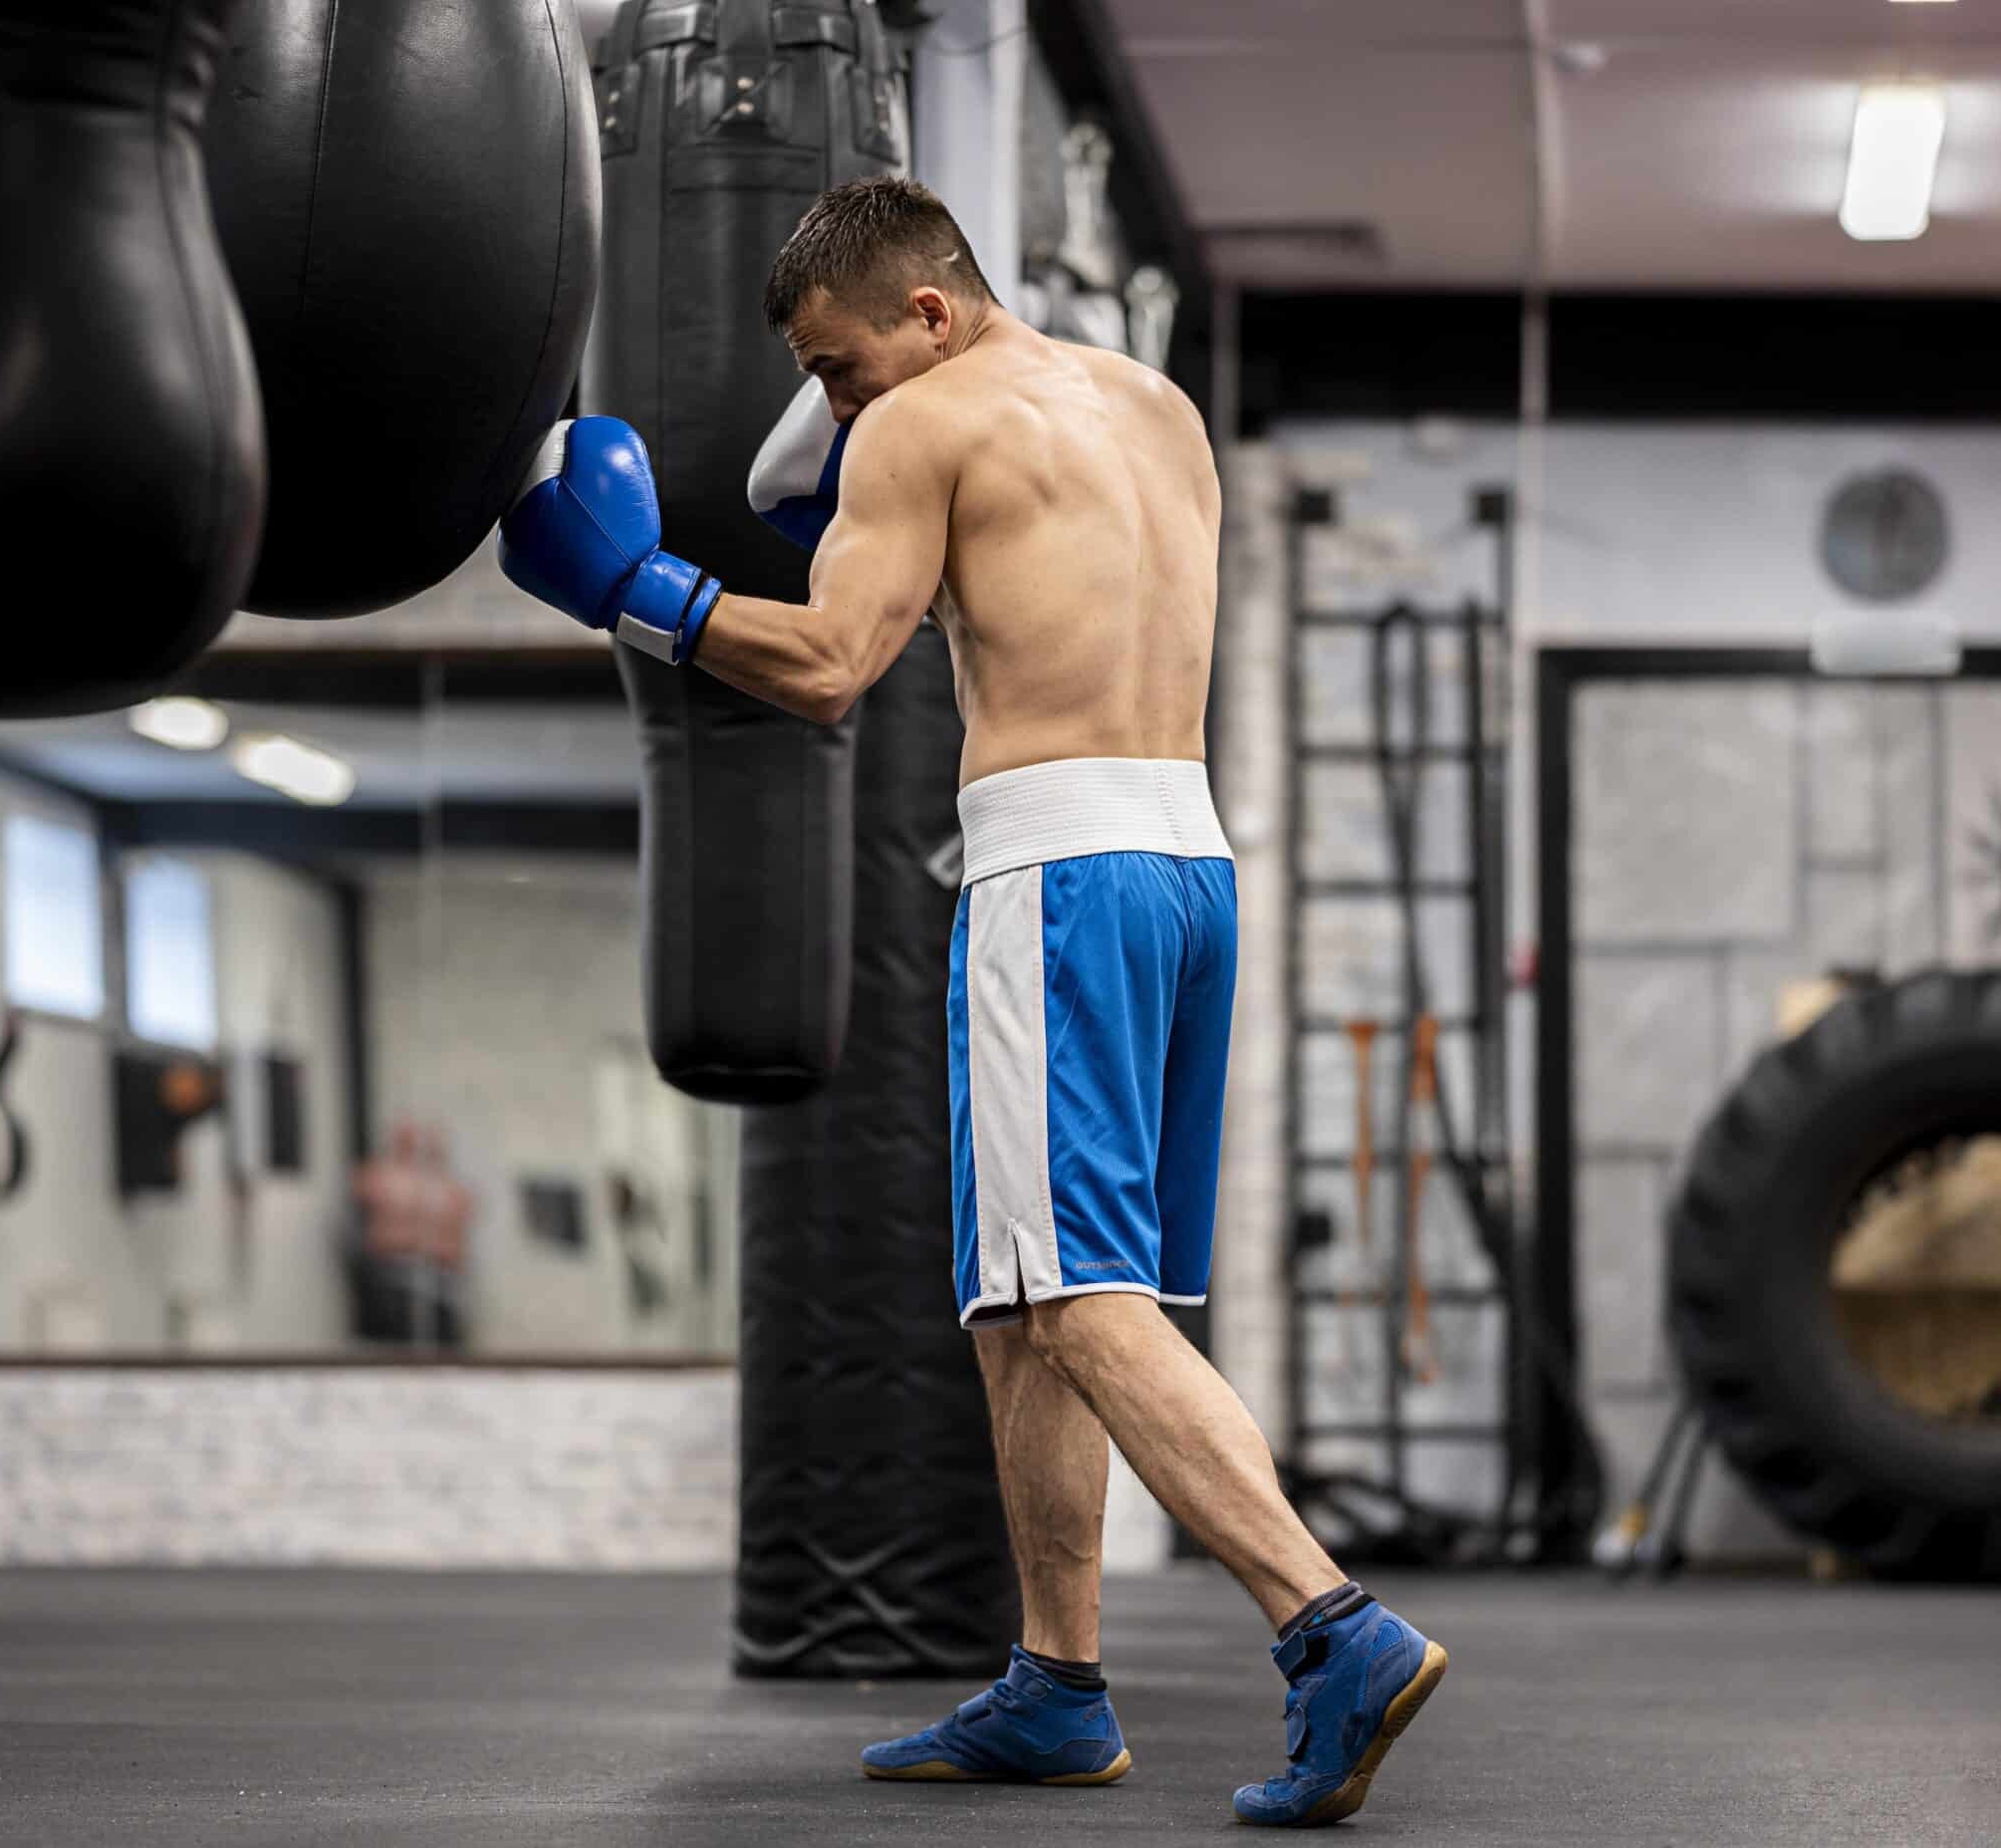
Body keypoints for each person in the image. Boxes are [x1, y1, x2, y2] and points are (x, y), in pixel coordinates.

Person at [498, 175, 1446, 1828]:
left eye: (842, 366)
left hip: (1056, 878)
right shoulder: (1152, 410)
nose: (836, 403)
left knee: (1074, 1295)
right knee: (1025, 1307)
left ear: (927, 316)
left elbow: (826, 671)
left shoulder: (921, 430)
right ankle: (1059, 1686)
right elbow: (982, 577)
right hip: (1187, 867)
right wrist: (841, 456)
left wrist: (633, 590)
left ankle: (1329, 1624)